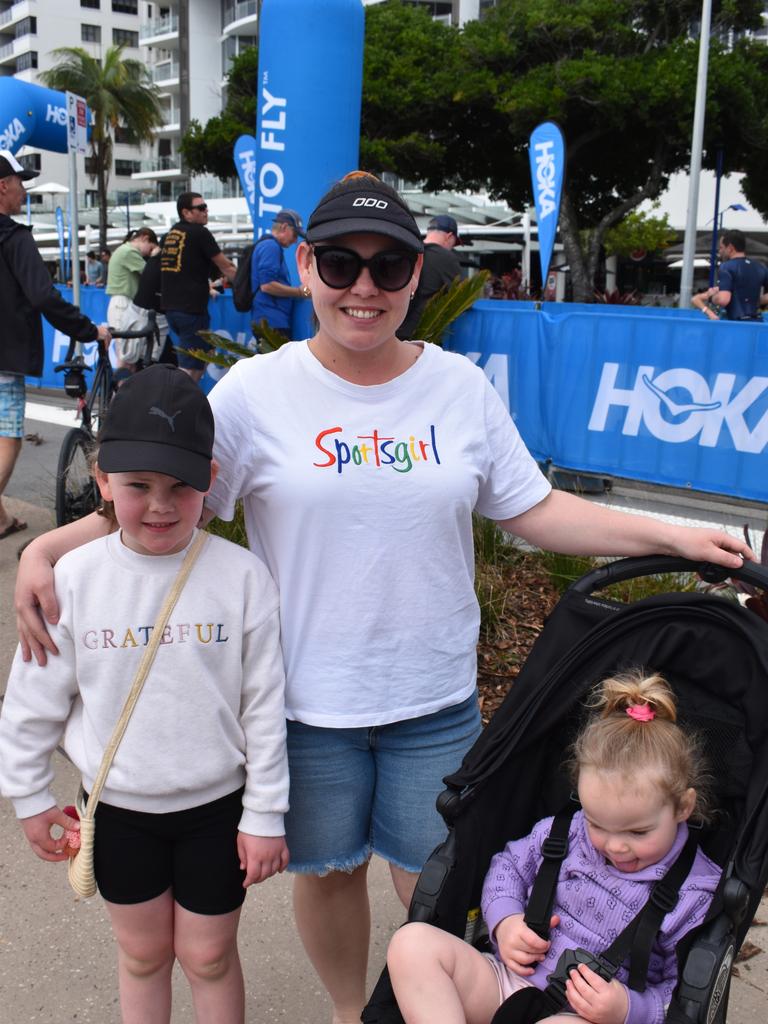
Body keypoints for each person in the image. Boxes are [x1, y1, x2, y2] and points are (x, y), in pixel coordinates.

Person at [14, 172, 752, 1024]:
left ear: (412, 278)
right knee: (328, 875)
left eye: (388, 267)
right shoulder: (257, 393)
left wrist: (674, 536)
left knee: (437, 882)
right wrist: (56, 544)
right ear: (308, 265)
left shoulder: (457, 387)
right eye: (340, 263)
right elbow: (163, 502)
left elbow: (535, 510)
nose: (363, 286)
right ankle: (345, 1013)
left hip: (432, 701)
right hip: (306, 700)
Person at [0, 363, 288, 1024]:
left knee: (210, 955)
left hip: (218, 807)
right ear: (101, 480)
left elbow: (264, 707)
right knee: (142, 956)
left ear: (211, 483)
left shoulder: (243, 579)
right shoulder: (70, 579)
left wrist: (266, 812)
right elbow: (32, 701)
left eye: (180, 487)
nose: (159, 505)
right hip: (118, 810)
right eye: (137, 486)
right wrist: (29, 795)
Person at [387, 670, 721, 1024]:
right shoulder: (566, 834)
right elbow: (507, 867)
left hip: (584, 1016)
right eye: (598, 824)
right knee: (412, 945)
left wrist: (626, 1009)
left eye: (638, 832)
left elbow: (685, 993)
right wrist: (505, 921)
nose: (615, 846)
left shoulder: (694, 894)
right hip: (505, 982)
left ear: (683, 807)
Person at [0, 149, 110, 541]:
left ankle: (2, 519)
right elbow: (44, 297)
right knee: (8, 437)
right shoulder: (14, 237)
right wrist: (88, 331)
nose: (24, 190)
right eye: (20, 182)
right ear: (3, 186)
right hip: (4, 356)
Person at [160, 192, 237, 383]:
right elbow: (225, 266)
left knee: (195, 363)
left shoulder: (172, 233)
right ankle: (178, 408)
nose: (206, 211)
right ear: (186, 212)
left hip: (172, 309)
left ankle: (183, 406)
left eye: (206, 207)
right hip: (191, 310)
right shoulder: (199, 233)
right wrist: (248, 286)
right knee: (191, 368)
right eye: (201, 208)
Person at [396, 214, 464, 340]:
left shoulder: (408, 250)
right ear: (449, 236)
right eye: (454, 242)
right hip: (422, 333)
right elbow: (463, 296)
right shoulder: (446, 258)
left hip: (392, 329)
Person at [250, 208, 310, 339]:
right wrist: (301, 292)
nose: (295, 241)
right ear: (284, 227)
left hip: (269, 320)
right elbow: (267, 285)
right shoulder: (271, 247)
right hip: (272, 322)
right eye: (295, 235)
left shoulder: (268, 245)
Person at [105, 227, 159, 368]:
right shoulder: (129, 252)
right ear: (145, 238)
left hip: (121, 303)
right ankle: (120, 389)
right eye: (151, 248)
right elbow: (150, 274)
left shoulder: (123, 250)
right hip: (123, 303)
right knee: (127, 356)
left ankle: (122, 388)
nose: (149, 253)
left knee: (128, 356)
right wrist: (156, 257)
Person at [704, 229, 768, 321]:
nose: (720, 251)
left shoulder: (727, 267)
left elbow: (723, 300)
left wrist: (711, 296)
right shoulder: (760, 267)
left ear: (730, 248)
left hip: (737, 325)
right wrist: (757, 300)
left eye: (722, 248)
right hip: (757, 323)